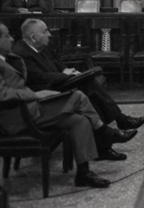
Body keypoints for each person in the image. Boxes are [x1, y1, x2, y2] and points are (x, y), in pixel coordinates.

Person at [0, 23, 134, 188]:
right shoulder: (13, 57)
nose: (12, 39)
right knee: (78, 96)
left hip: (30, 109)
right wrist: (34, 94)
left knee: (79, 120)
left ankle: (84, 174)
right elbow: (3, 94)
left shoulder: (9, 58)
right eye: (7, 36)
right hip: (17, 117)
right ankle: (105, 131)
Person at [12, 19, 144, 160]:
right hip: (46, 93)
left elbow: (56, 62)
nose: (49, 34)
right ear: (33, 37)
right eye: (45, 31)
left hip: (56, 83)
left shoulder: (40, 47)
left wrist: (66, 70)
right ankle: (117, 125)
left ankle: (105, 144)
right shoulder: (22, 53)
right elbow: (39, 77)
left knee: (90, 88)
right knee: (87, 87)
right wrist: (66, 75)